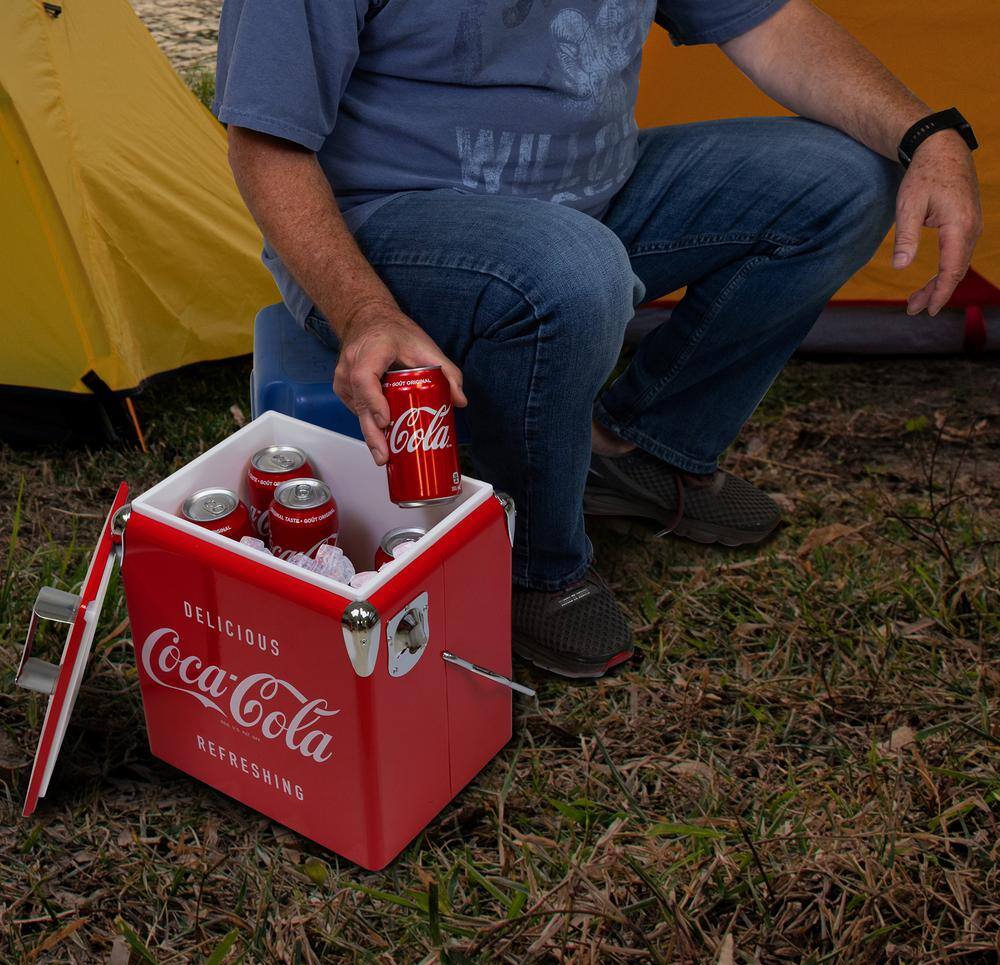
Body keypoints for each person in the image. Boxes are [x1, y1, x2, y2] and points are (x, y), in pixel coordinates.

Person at [215, 0, 982, 679]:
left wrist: (930, 134)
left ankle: (639, 454)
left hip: (593, 200)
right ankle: (536, 566)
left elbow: (773, 26)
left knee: (848, 178)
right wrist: (360, 310)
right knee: (577, 269)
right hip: (385, 227)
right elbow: (264, 143)